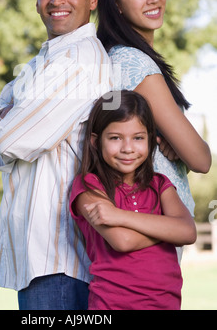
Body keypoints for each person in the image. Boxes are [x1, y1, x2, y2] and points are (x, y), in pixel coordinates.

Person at [0, 0, 112, 310]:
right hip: (41, 258)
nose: (56, 1)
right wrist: (9, 117)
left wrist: (8, 117)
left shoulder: (79, 59)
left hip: (60, 260)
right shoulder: (44, 61)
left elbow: (8, 138)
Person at [96, 0, 211, 234]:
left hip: (147, 223)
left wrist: (167, 138)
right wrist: (180, 145)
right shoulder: (134, 63)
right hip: (153, 227)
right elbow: (201, 159)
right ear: (116, 4)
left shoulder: (112, 57)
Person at [70, 90, 197, 310]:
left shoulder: (160, 184)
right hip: (111, 307)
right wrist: (167, 229)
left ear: (150, 139)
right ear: (95, 141)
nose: (127, 148)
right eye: (115, 138)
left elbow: (188, 232)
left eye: (138, 138)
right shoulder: (89, 185)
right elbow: (123, 241)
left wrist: (118, 215)